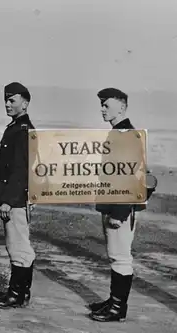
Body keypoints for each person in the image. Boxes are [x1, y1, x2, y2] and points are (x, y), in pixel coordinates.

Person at [88, 88, 156, 322]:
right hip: (114, 203)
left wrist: (119, 212)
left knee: (120, 256)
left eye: (106, 105)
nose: (102, 109)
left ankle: (118, 308)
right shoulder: (119, 134)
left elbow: (131, 177)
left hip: (121, 207)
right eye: (102, 105)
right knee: (115, 255)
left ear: (122, 108)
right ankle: (113, 301)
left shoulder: (126, 135)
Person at [0, 82, 36, 309]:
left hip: (15, 198)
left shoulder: (22, 130)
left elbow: (21, 170)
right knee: (17, 244)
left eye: (12, 100)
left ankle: (16, 296)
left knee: (18, 247)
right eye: (6, 100)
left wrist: (8, 200)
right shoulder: (17, 127)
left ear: (24, 103)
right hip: (17, 196)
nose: (7, 104)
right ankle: (21, 292)